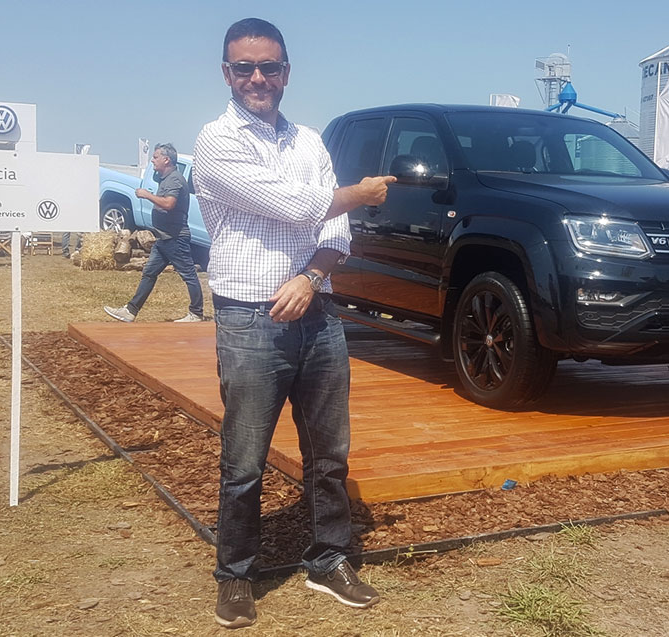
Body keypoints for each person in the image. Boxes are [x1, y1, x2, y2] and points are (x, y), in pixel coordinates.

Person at [193, 18, 395, 629]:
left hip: (318, 312)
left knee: (329, 453)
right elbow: (295, 206)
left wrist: (310, 278)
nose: (258, 77)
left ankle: (328, 559)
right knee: (245, 459)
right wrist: (360, 191)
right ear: (226, 73)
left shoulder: (309, 141)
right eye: (245, 67)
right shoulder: (216, 141)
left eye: (270, 67)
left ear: (286, 72)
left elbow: (337, 232)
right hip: (249, 318)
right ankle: (235, 574)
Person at [102, 143, 205, 323]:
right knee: (149, 273)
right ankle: (130, 311)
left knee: (188, 274)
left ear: (166, 160)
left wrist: (146, 195)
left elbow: (169, 204)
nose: (152, 160)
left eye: (156, 157)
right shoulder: (166, 178)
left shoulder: (174, 179)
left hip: (174, 238)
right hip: (163, 238)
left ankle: (196, 313)